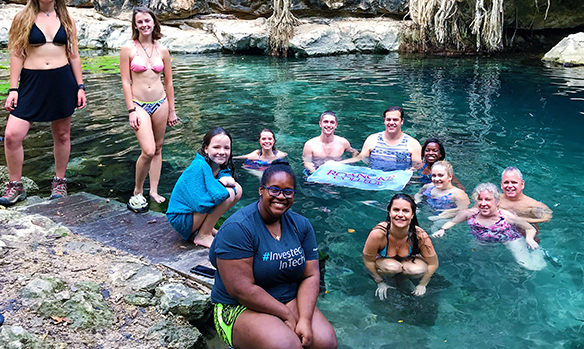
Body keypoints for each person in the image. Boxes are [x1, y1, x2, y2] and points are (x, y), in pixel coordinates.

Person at [209, 162, 338, 349]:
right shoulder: (238, 229)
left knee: (326, 342)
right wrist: (286, 315)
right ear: (261, 190)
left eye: (288, 192)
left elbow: (310, 275)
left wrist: (304, 319)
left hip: (288, 297)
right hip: (238, 306)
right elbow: (242, 290)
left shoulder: (301, 225)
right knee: (287, 345)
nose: (281, 197)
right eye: (274, 190)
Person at [0, 0, 86, 206]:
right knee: (12, 135)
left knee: (62, 134)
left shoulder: (66, 18)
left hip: (61, 81)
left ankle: (59, 181)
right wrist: (13, 89)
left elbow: (74, 55)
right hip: (31, 82)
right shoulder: (22, 18)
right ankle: (15, 185)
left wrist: (80, 86)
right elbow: (17, 54)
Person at [120, 7, 178, 212]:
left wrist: (172, 109)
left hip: (161, 102)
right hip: (139, 104)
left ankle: (153, 190)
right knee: (148, 149)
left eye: (147, 21)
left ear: (154, 22)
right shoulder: (128, 49)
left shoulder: (162, 50)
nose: (144, 25)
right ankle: (137, 190)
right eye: (140, 22)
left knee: (159, 148)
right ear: (135, 25)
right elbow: (126, 82)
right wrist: (131, 110)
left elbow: (169, 82)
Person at [432, 183, 546, 271]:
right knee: (477, 262)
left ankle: (540, 253)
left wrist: (529, 239)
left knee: (529, 265)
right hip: (482, 240)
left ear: (497, 202)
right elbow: (452, 222)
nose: (483, 203)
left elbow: (530, 228)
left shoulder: (507, 217)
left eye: (488, 199)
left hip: (508, 238)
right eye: (480, 199)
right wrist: (442, 230)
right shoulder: (469, 214)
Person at [167, 128, 243, 248]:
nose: (222, 152)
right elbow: (201, 204)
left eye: (226, 148)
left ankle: (207, 227)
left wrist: (223, 182)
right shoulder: (199, 166)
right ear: (206, 148)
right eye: (216, 147)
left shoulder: (219, 165)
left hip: (194, 214)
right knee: (228, 192)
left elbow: (227, 181)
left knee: (237, 189)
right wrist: (220, 184)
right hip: (181, 218)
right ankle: (203, 235)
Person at [362, 194, 438, 300]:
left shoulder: (419, 234)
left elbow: (433, 263)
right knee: (392, 267)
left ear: (412, 215)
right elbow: (368, 261)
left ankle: (403, 278)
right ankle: (392, 278)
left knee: (418, 270)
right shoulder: (378, 233)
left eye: (406, 211)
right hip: (385, 263)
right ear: (389, 212)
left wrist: (422, 284)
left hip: (408, 262)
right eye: (396, 210)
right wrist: (380, 282)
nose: (400, 215)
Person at [345, 106, 422, 171]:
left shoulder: (413, 144)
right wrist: (337, 164)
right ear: (384, 121)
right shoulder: (372, 139)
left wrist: (404, 175)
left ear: (402, 121)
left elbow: (417, 166)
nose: (391, 123)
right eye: (388, 119)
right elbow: (360, 158)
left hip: (399, 181)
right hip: (376, 178)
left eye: (395, 120)